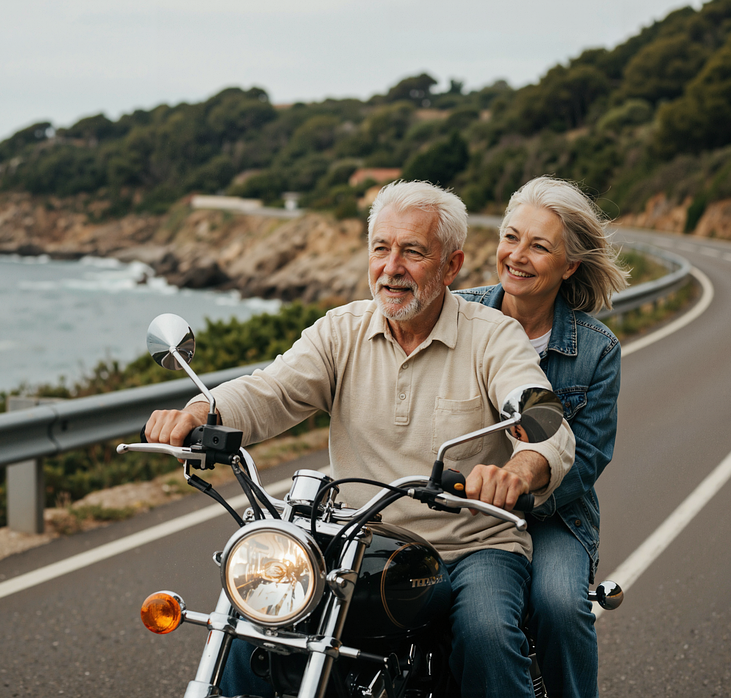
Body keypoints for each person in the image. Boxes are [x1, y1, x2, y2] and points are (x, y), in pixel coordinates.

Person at [145, 180, 576, 698]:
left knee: (487, 633)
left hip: (470, 546)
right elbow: (272, 390)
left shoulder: (492, 336)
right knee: (256, 622)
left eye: (413, 251)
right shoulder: (341, 331)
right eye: (381, 248)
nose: (391, 267)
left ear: (451, 265)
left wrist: (517, 470)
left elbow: (543, 417)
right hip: (355, 543)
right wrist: (200, 411)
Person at [455, 176, 629, 698]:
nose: (517, 256)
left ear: (569, 265)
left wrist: (522, 490)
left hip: (553, 516)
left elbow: (589, 455)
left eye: (539, 246)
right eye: (511, 238)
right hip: (456, 506)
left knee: (559, 603)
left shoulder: (597, 351)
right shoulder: (458, 313)